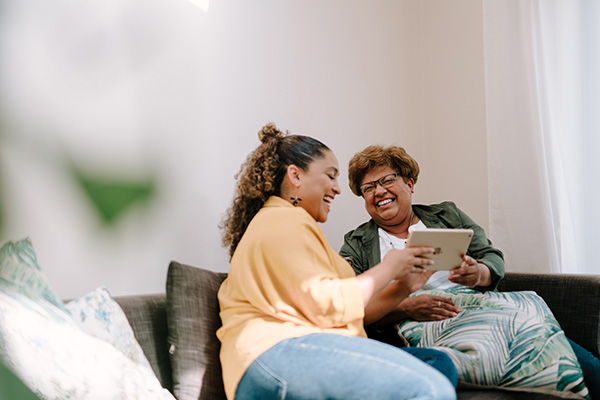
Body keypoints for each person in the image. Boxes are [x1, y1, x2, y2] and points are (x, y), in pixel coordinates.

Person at [216, 123, 457, 400]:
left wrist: (405, 285)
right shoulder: (282, 219)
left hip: (303, 348)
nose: (337, 189)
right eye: (330, 176)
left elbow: (350, 310)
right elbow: (325, 303)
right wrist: (389, 266)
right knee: (428, 387)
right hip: (276, 353)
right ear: (294, 175)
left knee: (436, 364)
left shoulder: (296, 226)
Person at [339, 144, 600, 398]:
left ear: (409, 183)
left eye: (387, 180)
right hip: (421, 324)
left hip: (479, 307)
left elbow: (491, 257)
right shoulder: (357, 243)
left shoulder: (447, 215)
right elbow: (353, 308)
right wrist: (405, 308)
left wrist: (478, 273)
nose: (379, 191)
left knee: (586, 364)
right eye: (369, 187)